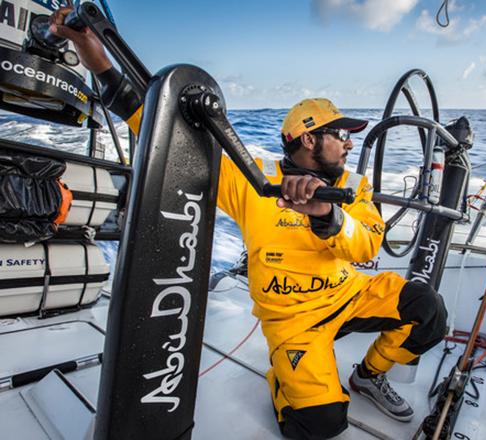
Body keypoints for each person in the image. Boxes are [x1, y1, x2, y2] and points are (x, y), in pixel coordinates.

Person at [50, 8, 447, 439]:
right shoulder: (252, 179)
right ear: (309, 139)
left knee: (428, 311)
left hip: (350, 295)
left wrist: (326, 215)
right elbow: (157, 123)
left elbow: (367, 246)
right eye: (341, 134)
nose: (350, 143)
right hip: (296, 320)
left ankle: (368, 375)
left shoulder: (354, 185)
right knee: (319, 425)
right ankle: (284, 379)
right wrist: (97, 58)